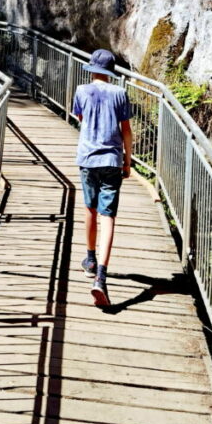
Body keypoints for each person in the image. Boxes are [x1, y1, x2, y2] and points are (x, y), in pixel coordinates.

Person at [73, 48, 133, 308]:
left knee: (90, 210)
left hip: (88, 159)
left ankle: (90, 259)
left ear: (92, 68)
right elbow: (126, 131)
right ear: (110, 71)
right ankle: (101, 277)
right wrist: (127, 161)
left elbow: (81, 118)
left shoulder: (81, 91)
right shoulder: (120, 93)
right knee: (108, 216)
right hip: (112, 160)